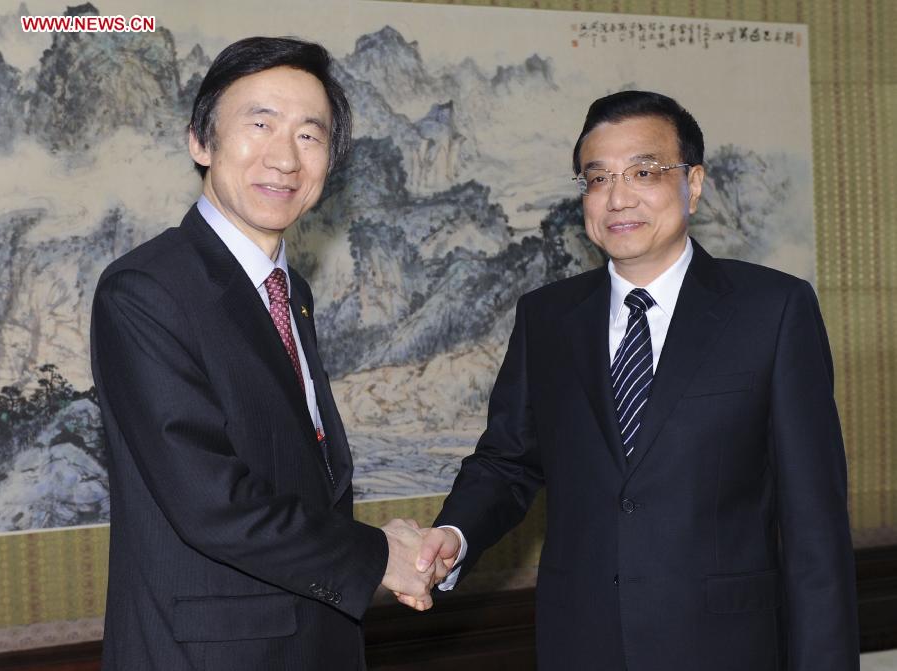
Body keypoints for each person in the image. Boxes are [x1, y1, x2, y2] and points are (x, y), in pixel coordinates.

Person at [416, 91, 859, 670]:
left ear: (693, 184)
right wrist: (456, 533)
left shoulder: (772, 310)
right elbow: (508, 460)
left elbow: (814, 523)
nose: (618, 198)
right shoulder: (547, 317)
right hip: (581, 642)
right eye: (597, 179)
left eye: (644, 172)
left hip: (727, 647)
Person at [90, 37, 438, 671]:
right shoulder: (146, 290)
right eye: (259, 124)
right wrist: (376, 556)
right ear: (200, 141)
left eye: (311, 136)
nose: (284, 157)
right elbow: (209, 499)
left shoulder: (287, 290)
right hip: (207, 653)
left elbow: (299, 470)